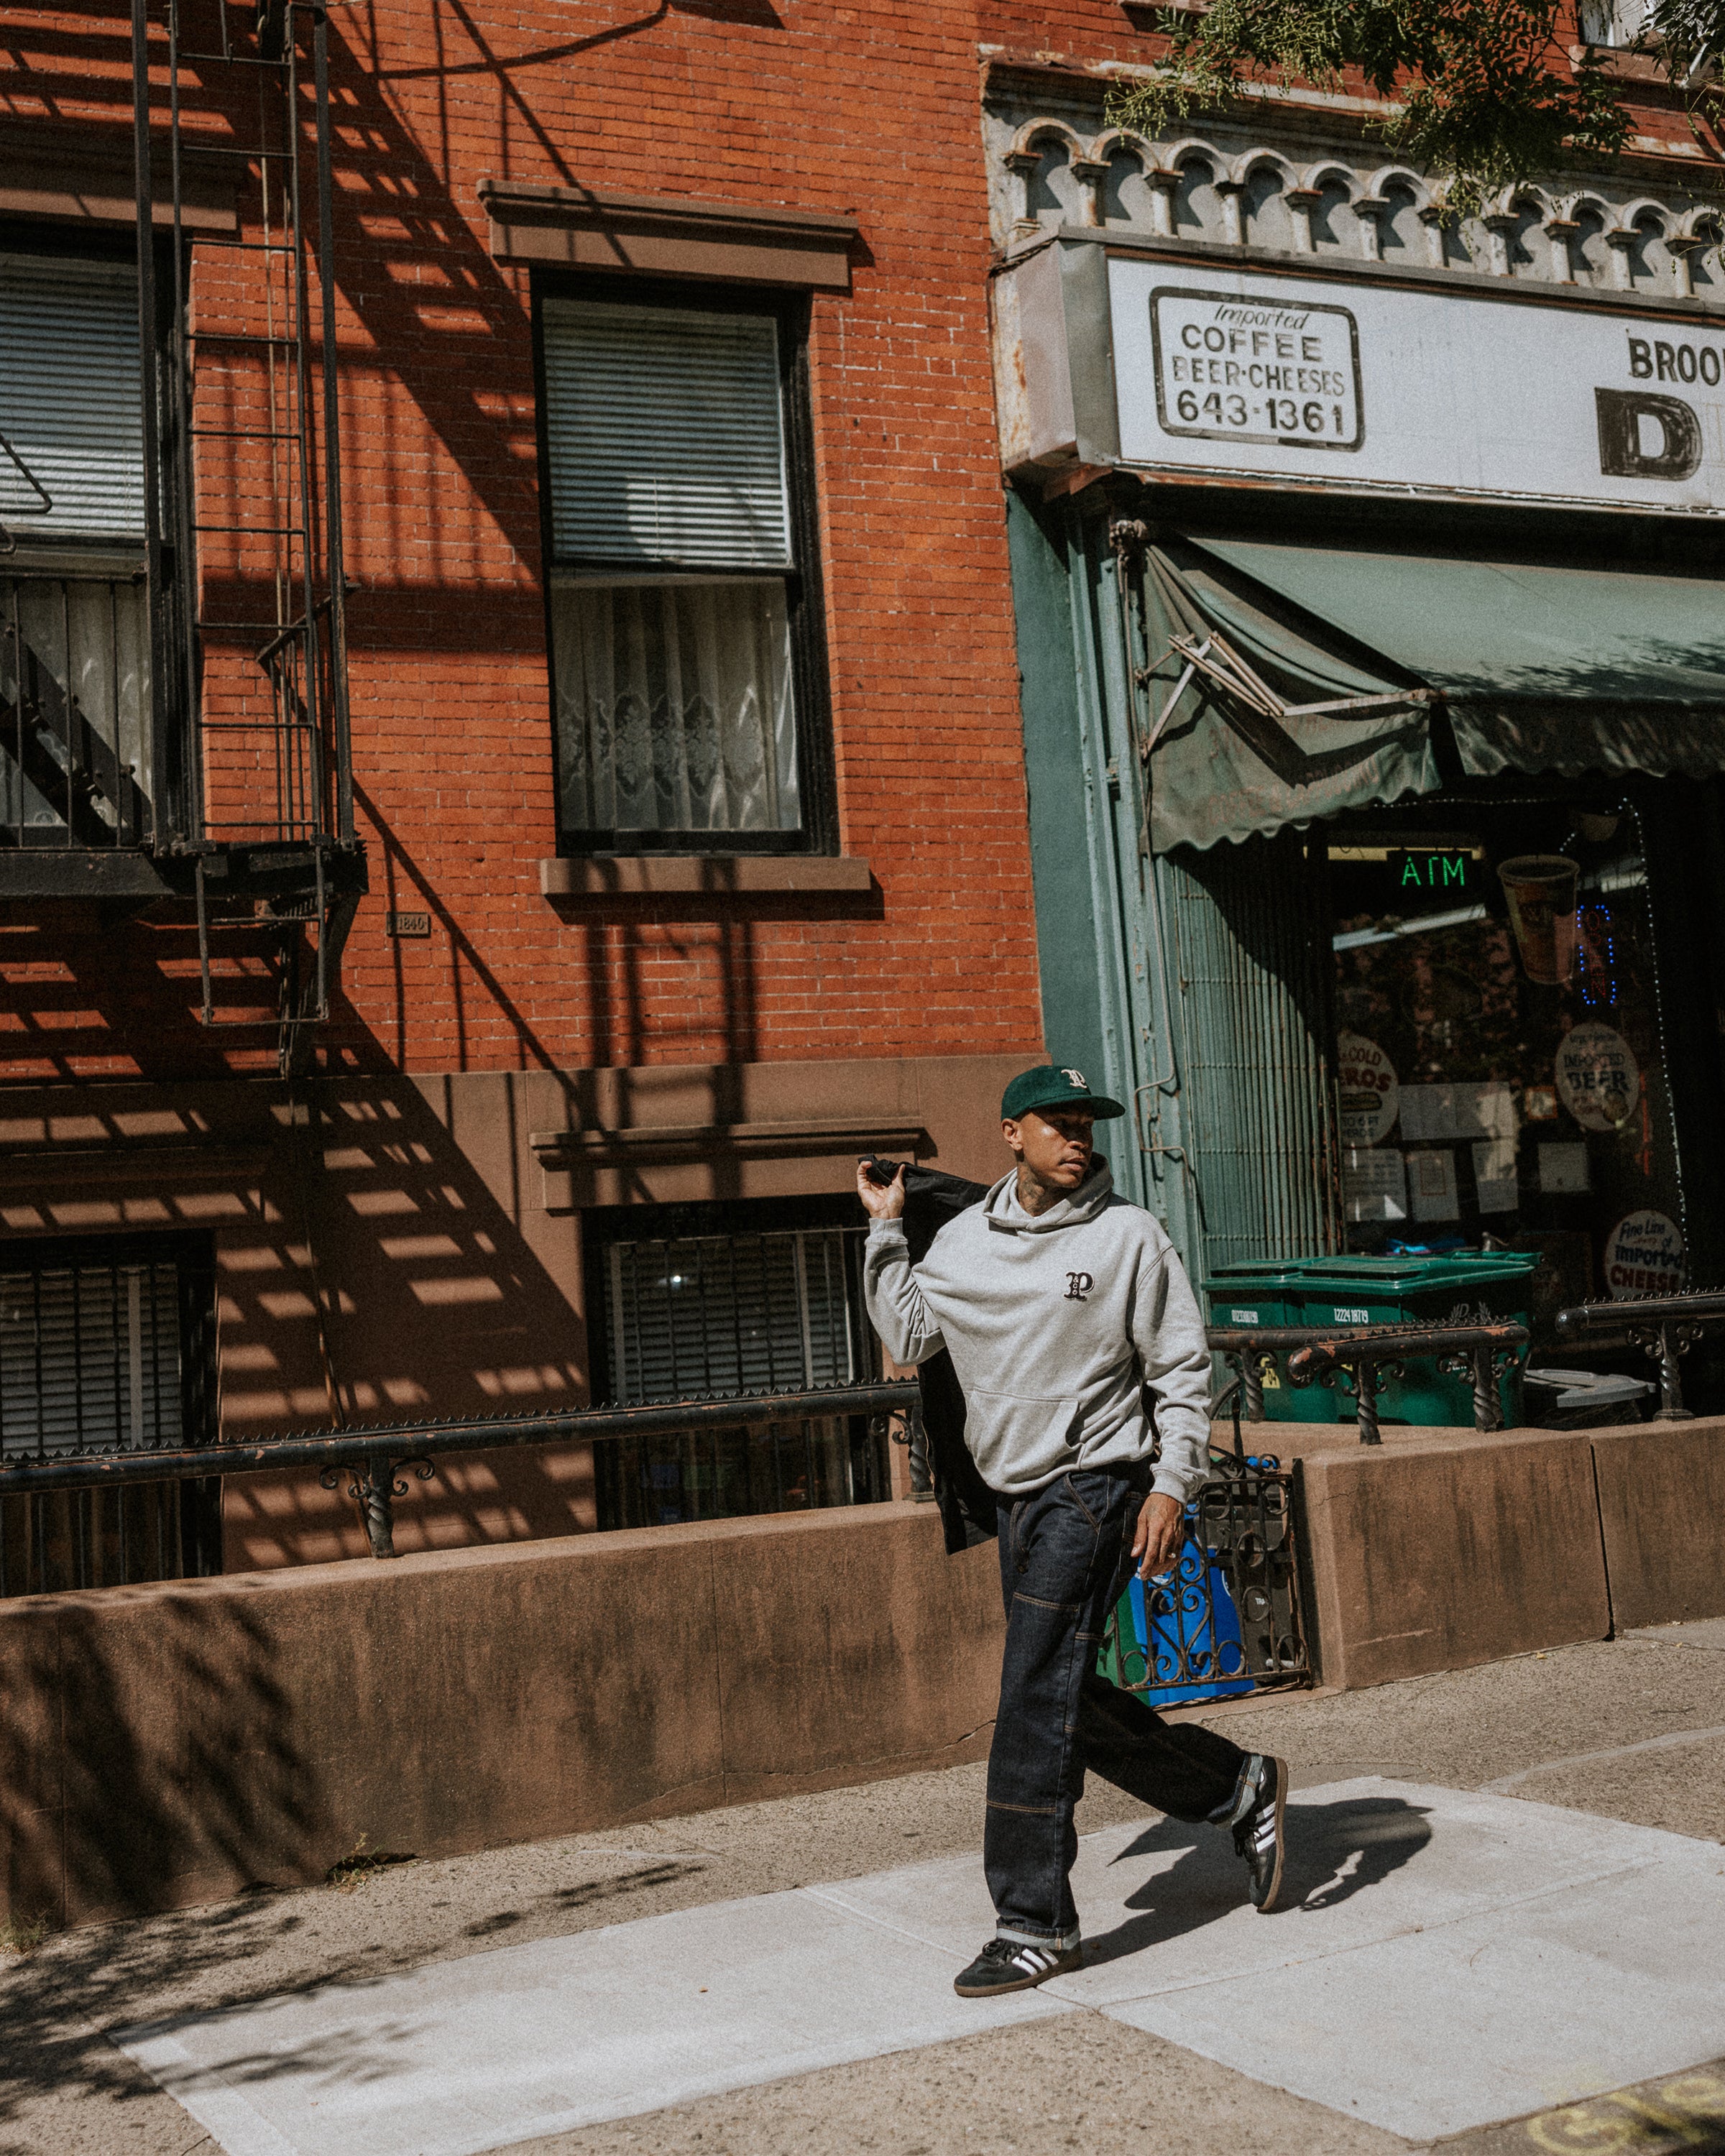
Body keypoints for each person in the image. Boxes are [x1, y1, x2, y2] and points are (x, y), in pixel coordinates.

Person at [856, 1063, 1288, 1999]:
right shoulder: (964, 1242)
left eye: (1087, 1123)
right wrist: (886, 1231)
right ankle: (1233, 1786)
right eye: (1058, 1122)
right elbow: (912, 1335)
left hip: (1097, 1484)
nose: (1078, 1137)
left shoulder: (1129, 1235)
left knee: (1028, 1698)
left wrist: (1173, 1484)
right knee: (1060, 1696)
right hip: (1015, 1495)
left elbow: (1179, 1367)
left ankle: (1034, 1921)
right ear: (1012, 1132)